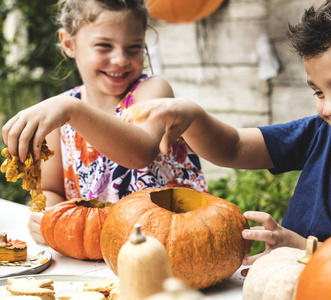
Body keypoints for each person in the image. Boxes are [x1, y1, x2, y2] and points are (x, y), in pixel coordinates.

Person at [126, 0, 331, 265]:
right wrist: (193, 117)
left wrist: (304, 249)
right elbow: (235, 147)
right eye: (319, 93)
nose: (329, 108)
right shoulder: (320, 133)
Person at [1, 0, 207, 244]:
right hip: (98, 253)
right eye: (104, 46)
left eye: (133, 48)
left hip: (173, 243)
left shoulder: (152, 91)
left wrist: (71, 110)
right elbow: (52, 190)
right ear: (69, 43)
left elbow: (141, 152)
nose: (120, 59)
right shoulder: (61, 113)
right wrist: (47, 217)